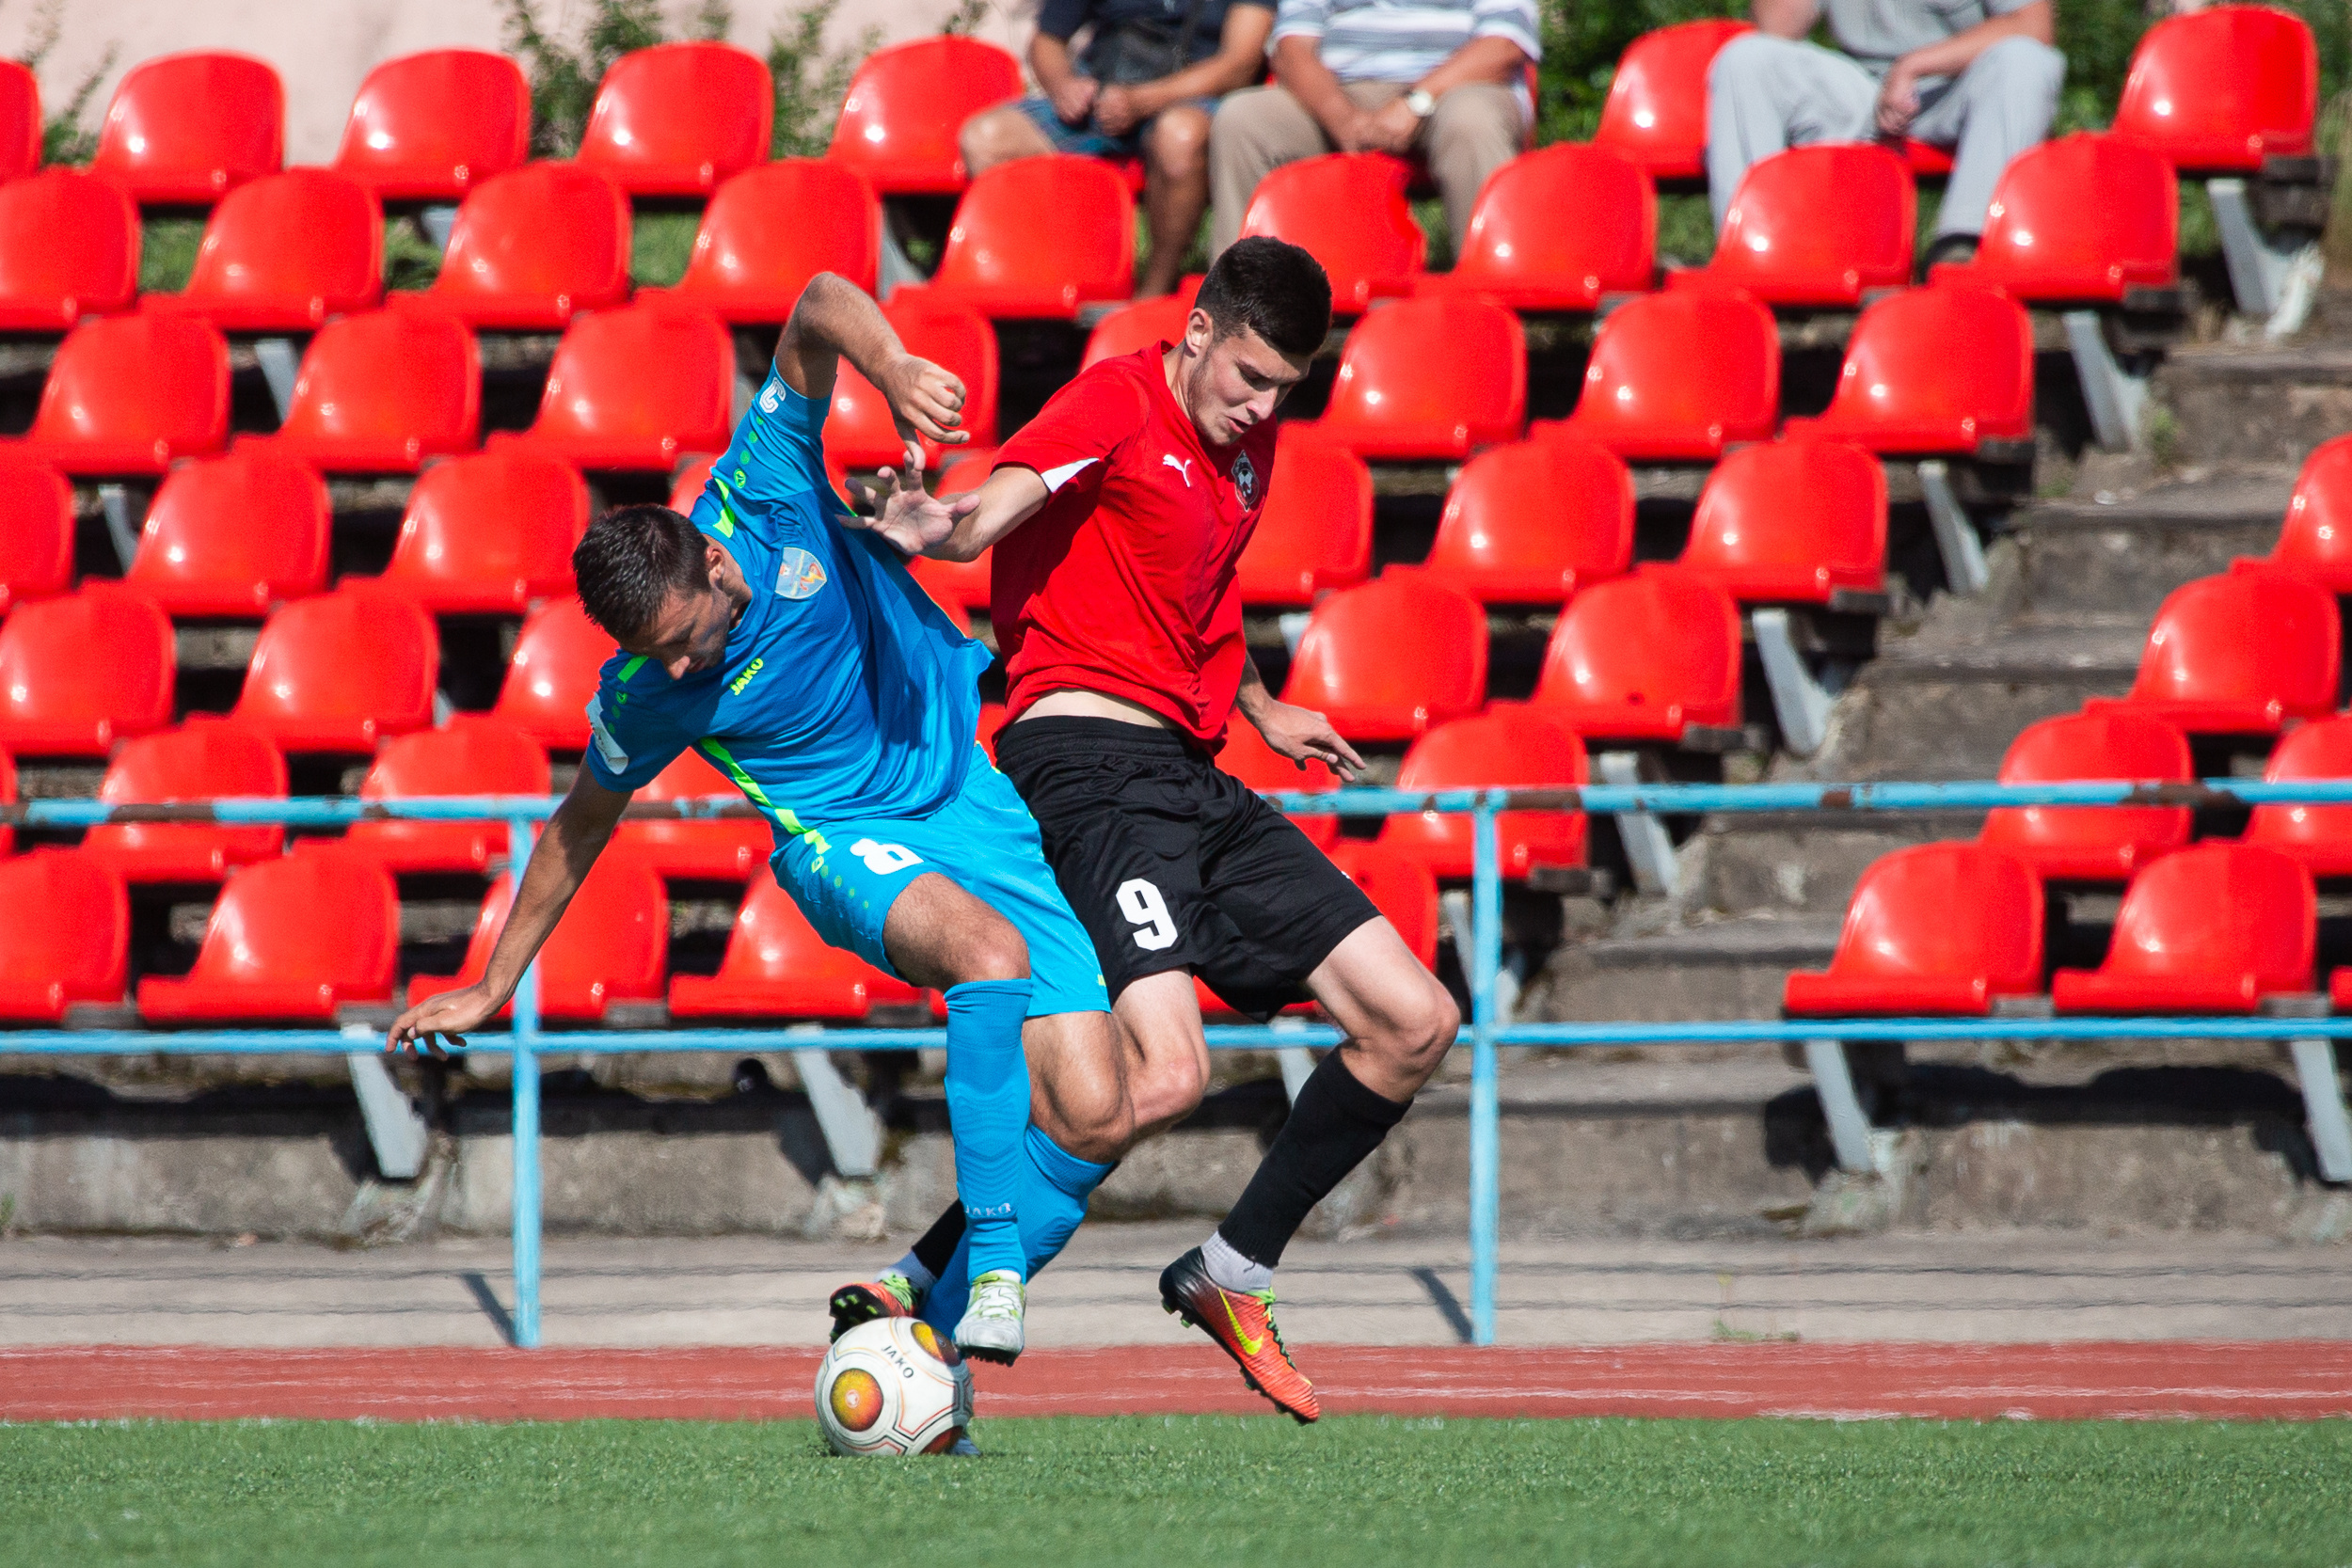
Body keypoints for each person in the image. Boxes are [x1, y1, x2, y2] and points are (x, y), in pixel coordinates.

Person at [384, 274, 1133, 1379]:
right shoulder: (649, 690)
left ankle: (911, 1307)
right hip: (841, 841)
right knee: (990, 959)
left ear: (718, 561)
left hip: (968, 798)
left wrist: (894, 374)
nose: (682, 667)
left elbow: (821, 300)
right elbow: (576, 828)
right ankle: (992, 1267)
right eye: (661, 655)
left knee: (1099, 1110)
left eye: (688, 638)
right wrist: (495, 980)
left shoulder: (764, 488)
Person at [829, 237, 1458, 1424]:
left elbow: (1204, 592)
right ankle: (926, 1298)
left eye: (1285, 389)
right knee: (1162, 1075)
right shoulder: (1112, 400)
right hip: (1086, 769)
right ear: (1200, 331)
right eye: (1249, 377)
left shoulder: (1245, 444)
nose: (1262, 407)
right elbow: (992, 510)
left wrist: (1268, 708)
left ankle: (1230, 1271)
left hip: (1191, 771)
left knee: (1414, 1019)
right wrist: (934, 527)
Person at [1706, 0, 2064, 267]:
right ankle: (1754, 252)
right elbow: (1776, 27)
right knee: (1745, 59)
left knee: (2027, 61)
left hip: (1960, 87)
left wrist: (1915, 66)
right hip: (1862, 89)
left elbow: (2032, 26)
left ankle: (1962, 249)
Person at [961, 0, 1275, 299]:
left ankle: (1153, 292)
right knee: (985, 139)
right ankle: (1055, 278)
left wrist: (1143, 101)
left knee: (1179, 136)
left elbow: (1239, 64)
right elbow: (1046, 41)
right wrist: (1063, 86)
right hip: (1102, 95)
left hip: (1193, 97)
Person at [1206, 0, 1538, 260]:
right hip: (1339, 88)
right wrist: (1342, 117)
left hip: (1457, 86)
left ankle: (1490, 302)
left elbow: (1504, 44)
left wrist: (1414, 102)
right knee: (1242, 119)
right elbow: (1291, 48)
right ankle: (1240, 313)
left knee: (1471, 121)